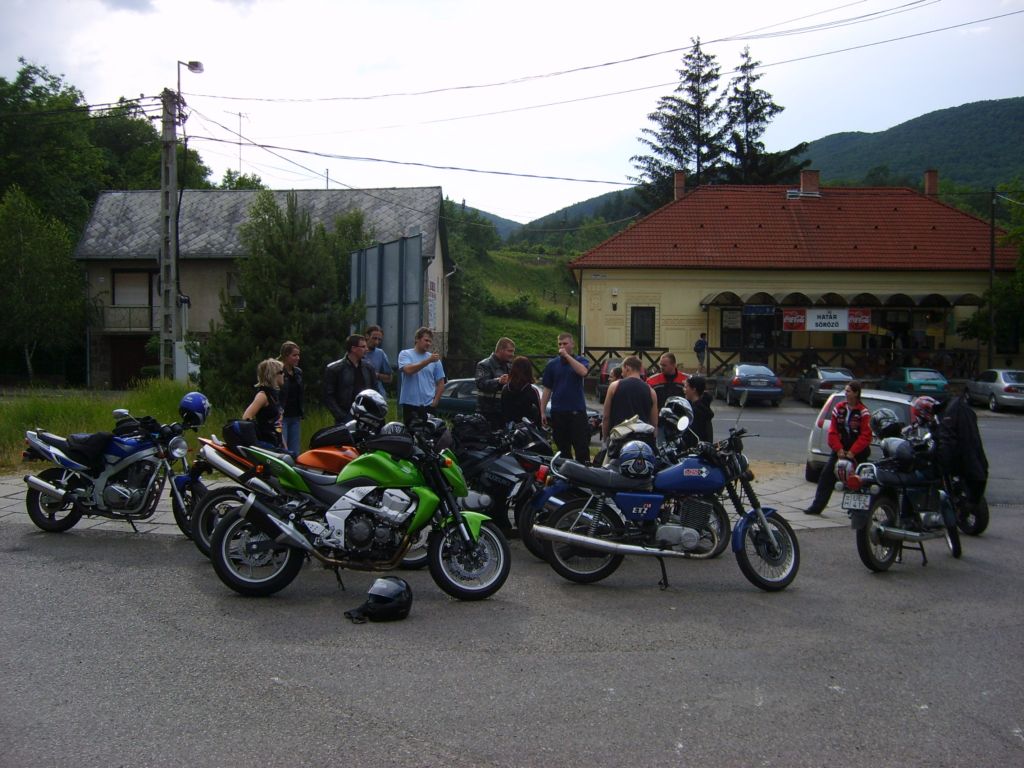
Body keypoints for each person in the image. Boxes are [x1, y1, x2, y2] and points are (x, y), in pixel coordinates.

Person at [805, 379, 873, 515]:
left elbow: (866, 435)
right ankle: (817, 506)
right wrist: (838, 449)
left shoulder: (863, 412)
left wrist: (853, 452)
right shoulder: (839, 408)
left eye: (849, 391)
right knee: (826, 476)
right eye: (846, 391)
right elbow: (833, 431)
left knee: (860, 480)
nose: (846, 394)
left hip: (858, 452)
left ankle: (859, 510)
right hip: (840, 450)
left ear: (856, 393)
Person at [540, 332, 591, 463]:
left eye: (565, 343)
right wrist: (542, 411)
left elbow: (583, 372)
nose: (562, 346)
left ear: (572, 344)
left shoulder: (580, 360)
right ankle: (565, 472)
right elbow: (547, 389)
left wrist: (567, 356)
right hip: (558, 411)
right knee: (563, 448)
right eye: (560, 344)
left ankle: (583, 472)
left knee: (581, 447)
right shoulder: (552, 364)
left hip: (576, 411)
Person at [323, 334, 378, 424]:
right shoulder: (335, 369)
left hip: (366, 416)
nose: (366, 349)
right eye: (363, 347)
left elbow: (375, 391)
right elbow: (328, 396)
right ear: (353, 348)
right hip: (345, 416)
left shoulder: (369, 368)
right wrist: (341, 415)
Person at [602, 355, 658, 442]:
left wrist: (605, 438)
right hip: (642, 439)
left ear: (627, 368)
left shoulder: (614, 386)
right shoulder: (651, 391)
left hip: (619, 438)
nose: (621, 373)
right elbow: (654, 422)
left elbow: (606, 417)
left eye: (622, 370)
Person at [398, 327, 446, 426]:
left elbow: (441, 383)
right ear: (417, 339)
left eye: (430, 341)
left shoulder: (434, 359)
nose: (428, 343)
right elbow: (408, 370)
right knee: (411, 432)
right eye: (426, 340)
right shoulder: (405, 354)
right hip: (410, 404)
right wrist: (428, 361)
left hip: (428, 404)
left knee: (429, 433)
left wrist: (435, 401)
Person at [243, 358, 285, 450]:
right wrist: (256, 440)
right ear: (273, 375)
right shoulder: (263, 395)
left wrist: (284, 447)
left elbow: (277, 425)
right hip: (267, 444)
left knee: (292, 456)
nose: (284, 374)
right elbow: (246, 417)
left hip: (276, 442)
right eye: (281, 372)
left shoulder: (274, 395)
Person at [475, 337, 516, 429]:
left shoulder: (509, 365)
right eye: (510, 351)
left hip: (504, 412)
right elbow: (480, 384)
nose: (512, 354)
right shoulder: (484, 364)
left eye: (513, 352)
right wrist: (499, 381)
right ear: (500, 350)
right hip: (487, 412)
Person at [279, 341, 304, 457]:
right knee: (283, 449)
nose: (297, 358)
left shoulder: (298, 372)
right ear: (285, 356)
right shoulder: (278, 372)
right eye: (294, 355)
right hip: (282, 416)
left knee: (295, 452)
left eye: (298, 355)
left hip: (295, 415)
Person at [501, 355, 542, 425]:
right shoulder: (531, 390)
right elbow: (539, 414)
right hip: (527, 427)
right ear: (529, 370)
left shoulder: (505, 388)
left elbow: (503, 409)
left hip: (509, 426)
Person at [682, 374, 714, 448]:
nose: (684, 390)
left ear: (694, 389)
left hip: (697, 450)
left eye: (686, 387)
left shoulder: (696, 411)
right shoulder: (702, 406)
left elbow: (692, 436)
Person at [363, 325, 393, 399]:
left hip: (377, 395)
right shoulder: (357, 351)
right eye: (374, 338)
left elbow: (389, 378)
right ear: (367, 336)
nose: (376, 342)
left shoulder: (380, 353)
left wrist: (376, 375)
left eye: (379, 339)